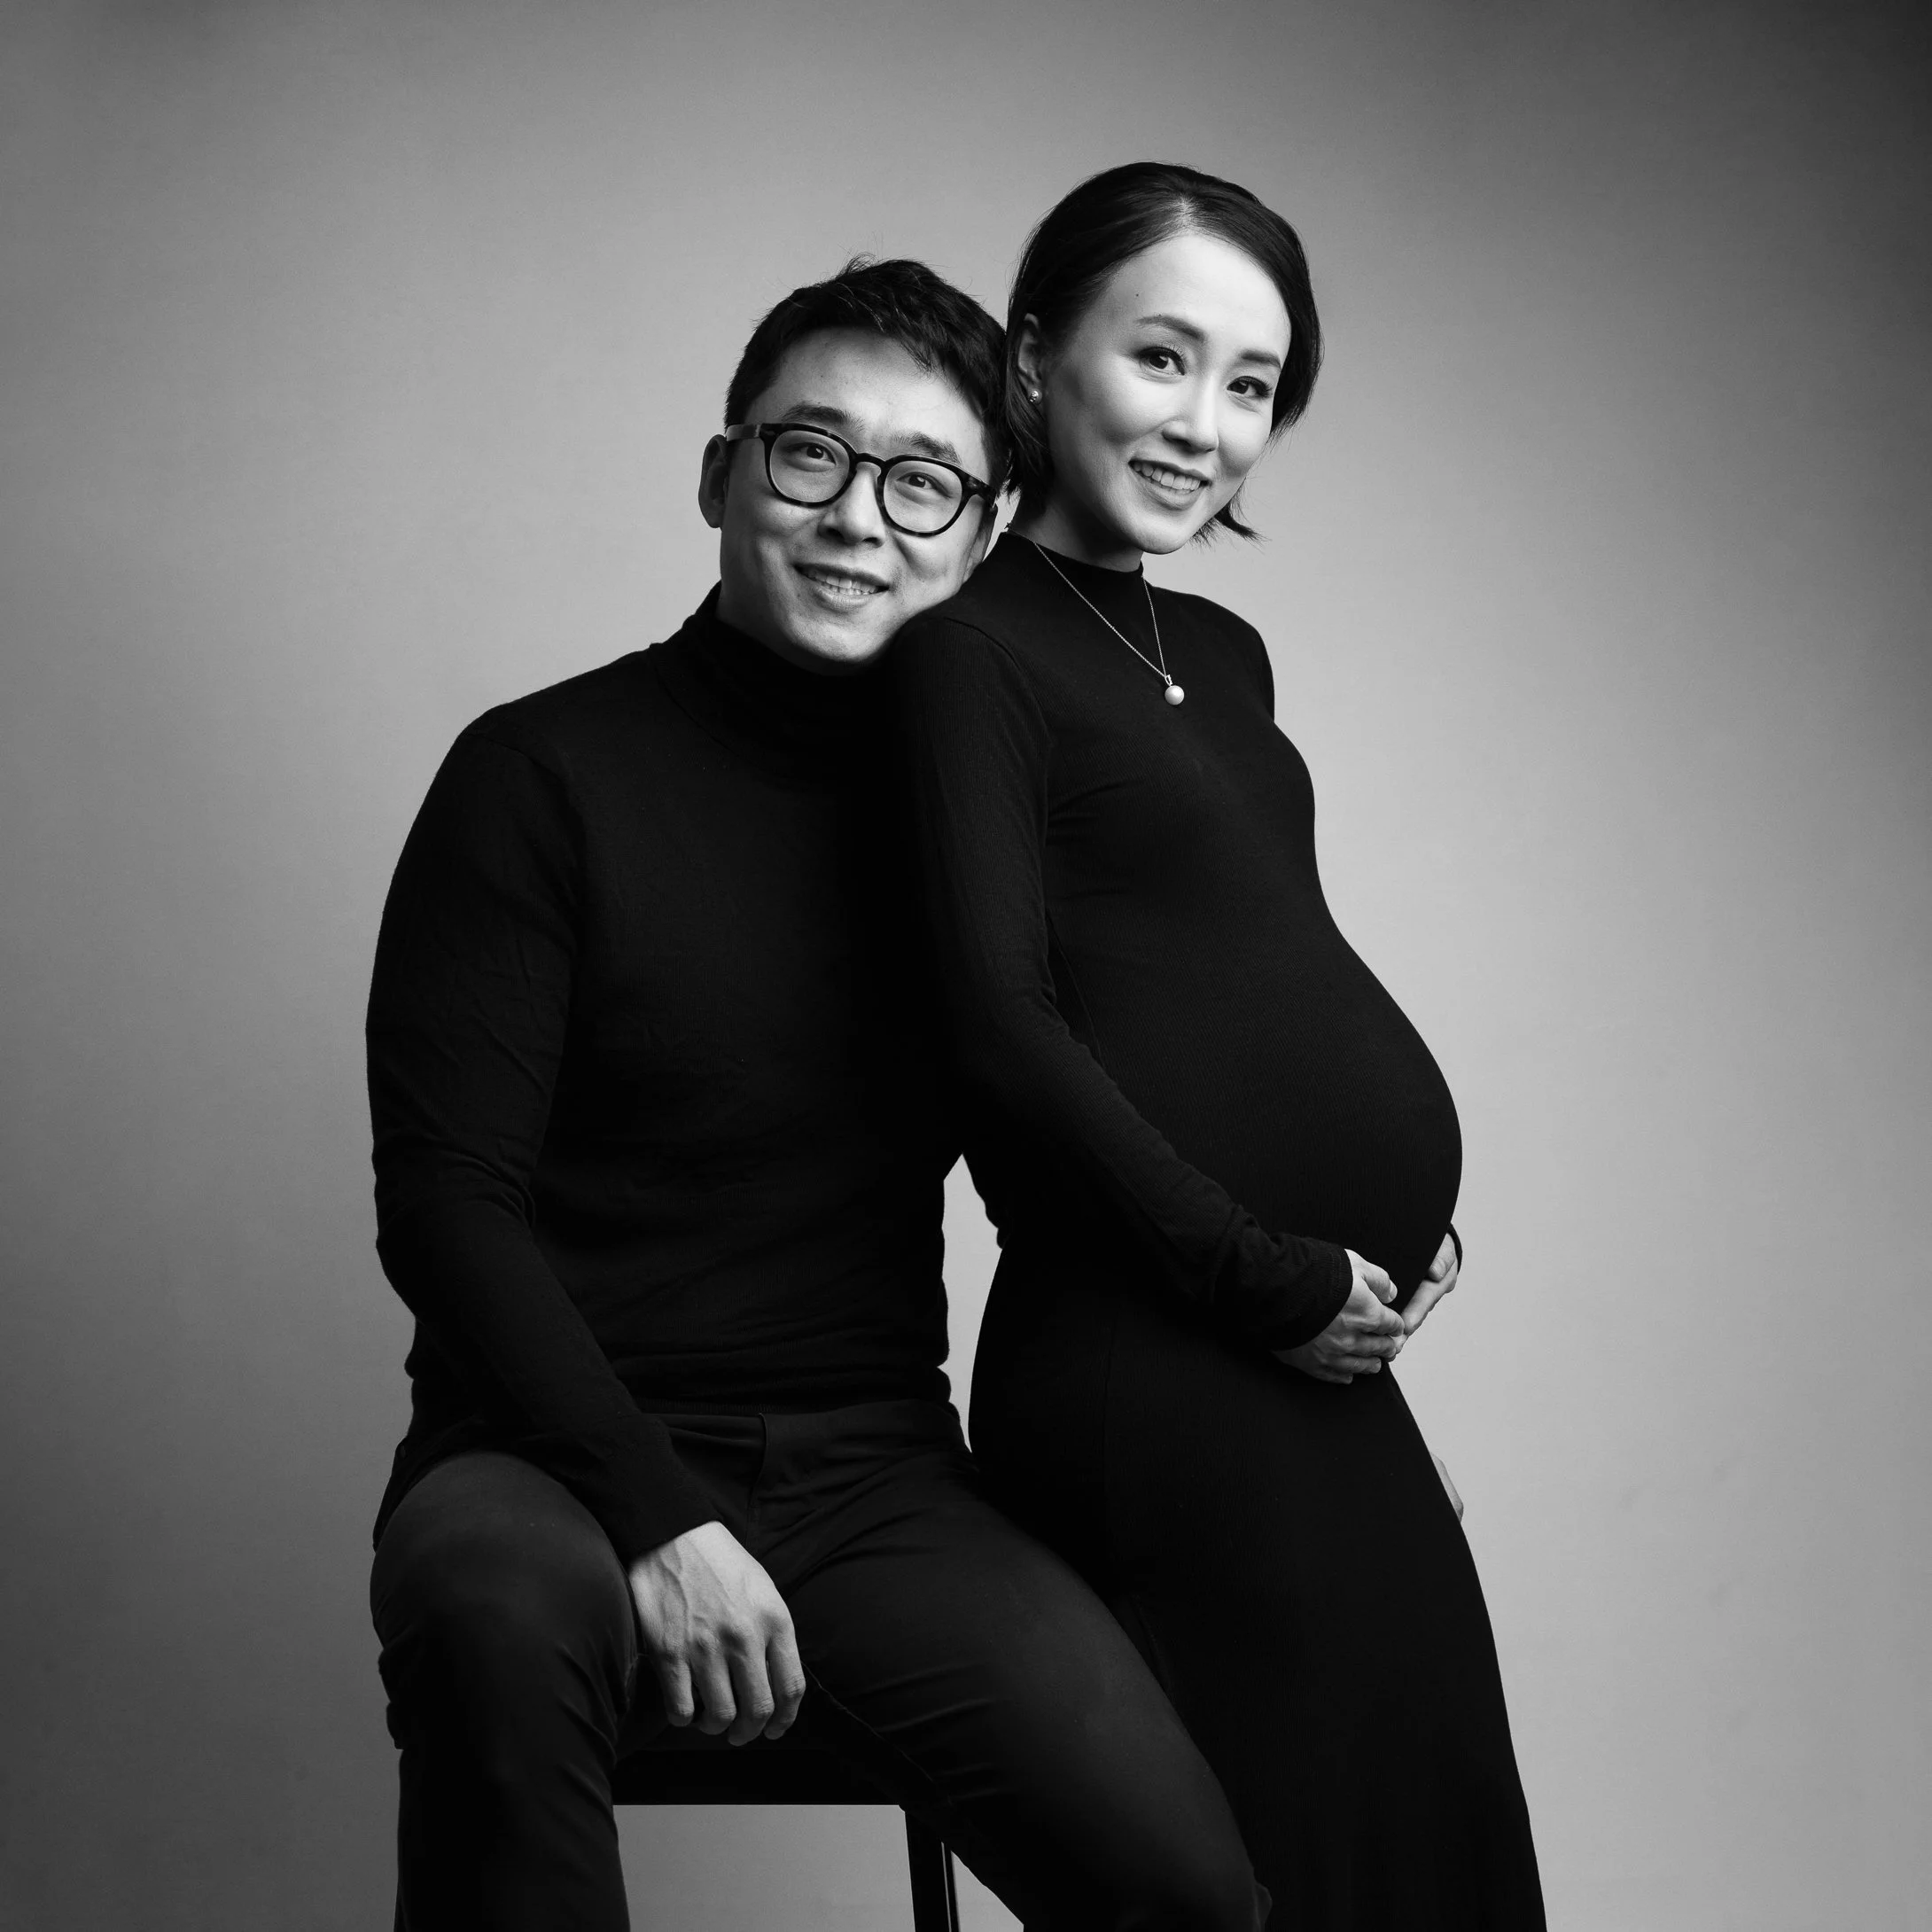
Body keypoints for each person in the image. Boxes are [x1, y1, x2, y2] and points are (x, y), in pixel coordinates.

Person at [364, 255, 1268, 1932]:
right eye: (810, 456)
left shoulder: (987, 824)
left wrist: (1328, 1282)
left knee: (1193, 1894)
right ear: (722, 475)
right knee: (487, 1605)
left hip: (874, 1480)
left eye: (925, 484)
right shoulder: (538, 775)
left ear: (983, 529)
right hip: (543, 1458)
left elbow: (1142, 1112)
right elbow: (443, 1207)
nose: (861, 519)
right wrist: (654, 1516)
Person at [893, 165, 1546, 1929]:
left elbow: (1241, 959)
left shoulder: (1224, 650)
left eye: (1250, 385)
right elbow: (998, 1031)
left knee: (1432, 1836)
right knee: (1295, 1871)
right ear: (1034, 362)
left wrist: (1388, 1204)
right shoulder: (955, 649)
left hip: (1311, 1352)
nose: (1206, 423)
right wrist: (1260, 1268)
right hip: (1154, 1349)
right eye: (1162, 358)